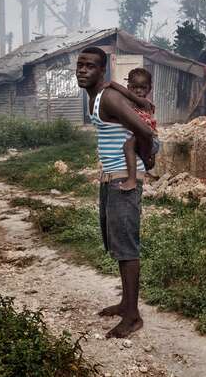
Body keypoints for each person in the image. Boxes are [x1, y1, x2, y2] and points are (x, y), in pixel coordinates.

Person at [75, 46, 155, 338]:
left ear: (102, 70)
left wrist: (148, 160)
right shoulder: (94, 97)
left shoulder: (109, 96)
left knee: (127, 247)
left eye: (91, 66)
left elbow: (145, 132)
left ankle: (133, 316)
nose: (83, 70)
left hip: (124, 179)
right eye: (80, 65)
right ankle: (126, 304)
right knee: (117, 243)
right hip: (110, 178)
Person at [107, 68, 160, 192]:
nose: (139, 91)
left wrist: (112, 84)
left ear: (149, 89)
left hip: (150, 140)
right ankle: (148, 162)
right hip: (142, 139)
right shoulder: (128, 103)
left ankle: (132, 180)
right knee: (142, 158)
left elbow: (129, 96)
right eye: (135, 87)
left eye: (143, 88)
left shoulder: (145, 103)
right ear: (129, 86)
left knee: (128, 145)